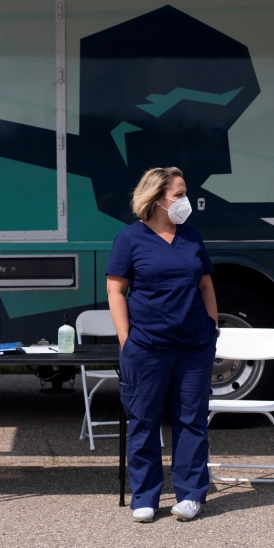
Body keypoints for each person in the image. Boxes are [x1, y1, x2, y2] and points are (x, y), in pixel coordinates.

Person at [106, 167, 219, 522]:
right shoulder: (129, 239)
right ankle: (145, 497)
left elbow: (206, 286)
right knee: (143, 420)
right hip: (147, 347)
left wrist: (212, 327)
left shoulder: (192, 237)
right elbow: (115, 290)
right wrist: (126, 340)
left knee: (192, 421)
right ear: (157, 199)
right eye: (179, 194)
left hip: (194, 347)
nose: (186, 201)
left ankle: (189, 495)